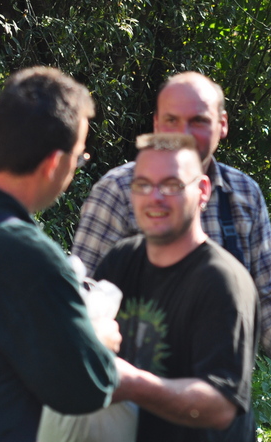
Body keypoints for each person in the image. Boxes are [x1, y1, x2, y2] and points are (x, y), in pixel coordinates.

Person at [72, 72, 271, 417]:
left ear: (222, 125)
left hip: (220, 407)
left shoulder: (243, 195)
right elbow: (81, 298)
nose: (183, 134)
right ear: (156, 124)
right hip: (130, 412)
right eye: (172, 120)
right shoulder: (117, 192)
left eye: (198, 121)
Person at [95, 133, 260, 441]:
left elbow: (221, 405)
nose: (154, 197)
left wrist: (132, 383)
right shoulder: (121, 259)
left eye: (171, 185)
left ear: (202, 191)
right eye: (143, 184)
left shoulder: (223, 281)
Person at [0, 67, 121, 441]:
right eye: (78, 160)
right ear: (52, 164)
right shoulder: (27, 256)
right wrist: (96, 336)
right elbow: (86, 387)